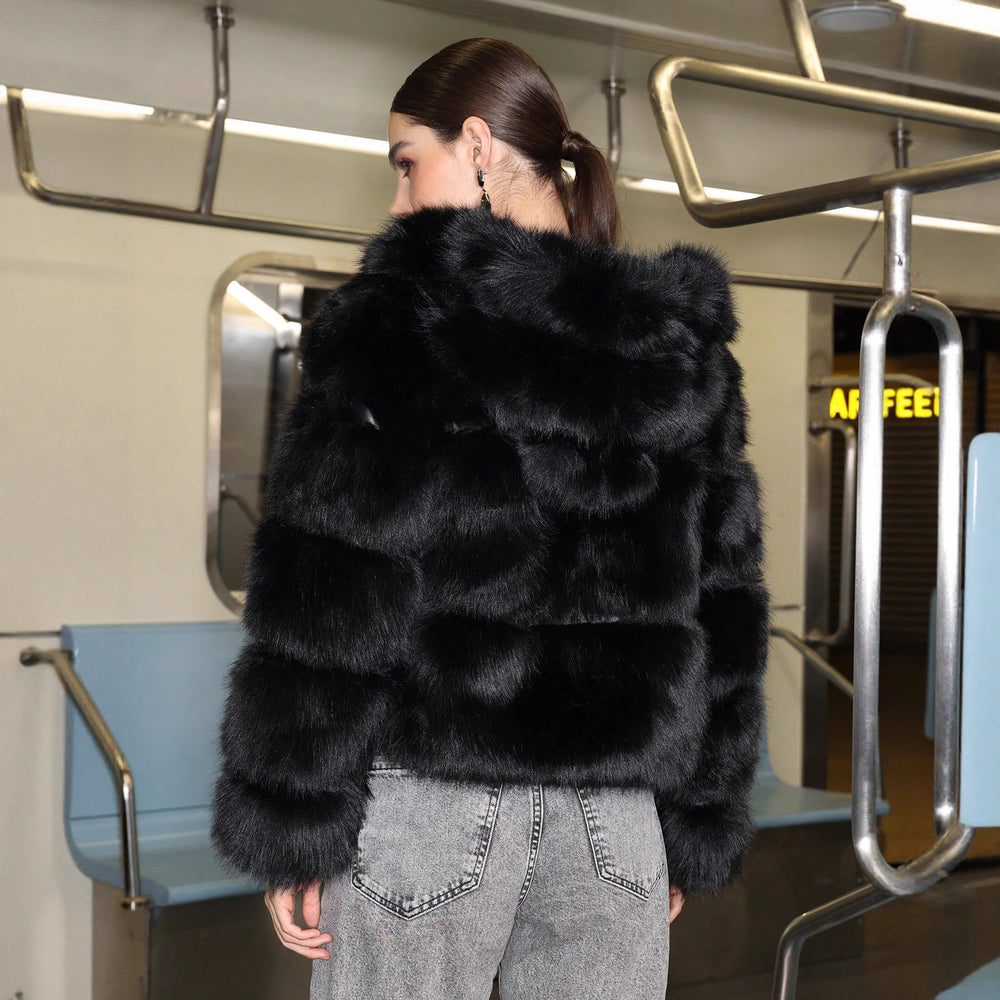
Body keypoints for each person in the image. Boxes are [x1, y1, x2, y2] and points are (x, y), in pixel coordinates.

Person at [211, 36, 770, 1000]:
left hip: (435, 807)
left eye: (403, 163)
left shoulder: (399, 329)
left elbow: (330, 596)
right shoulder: (681, 352)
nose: (395, 201)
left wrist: (293, 819)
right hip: (616, 817)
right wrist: (694, 814)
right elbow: (725, 602)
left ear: (475, 145)